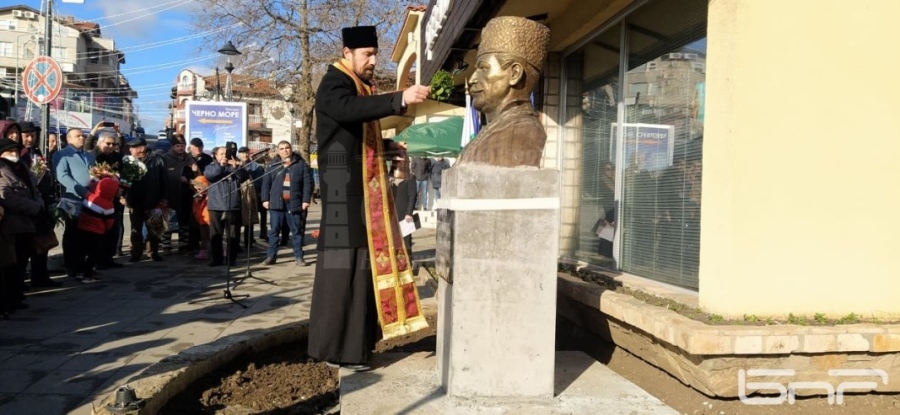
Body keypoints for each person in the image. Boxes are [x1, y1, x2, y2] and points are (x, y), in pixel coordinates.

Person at [308, 25, 430, 371]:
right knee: (342, 272)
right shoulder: (335, 81)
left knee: (361, 271)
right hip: (344, 195)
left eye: (375, 54)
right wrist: (399, 98)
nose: (374, 60)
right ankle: (336, 351)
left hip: (358, 194)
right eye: (368, 54)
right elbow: (347, 111)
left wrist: (389, 145)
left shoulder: (356, 82)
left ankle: (357, 346)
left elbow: (353, 134)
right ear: (347, 53)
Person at [455, 16, 551, 168]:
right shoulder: (496, 127)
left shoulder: (523, 131)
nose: (472, 79)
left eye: (483, 68)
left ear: (514, 74)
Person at [0, 138, 43, 307]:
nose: (13, 155)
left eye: (16, 152)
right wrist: (33, 207)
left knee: (23, 260)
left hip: (28, 222)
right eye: (9, 152)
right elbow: (7, 197)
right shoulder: (2, 170)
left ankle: (17, 294)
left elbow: (34, 189)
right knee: (11, 263)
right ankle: (11, 297)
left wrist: (40, 205)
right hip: (12, 224)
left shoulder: (22, 168)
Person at [17, 121, 60, 287]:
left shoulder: (36, 152)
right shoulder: (18, 154)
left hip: (42, 202)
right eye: (27, 135)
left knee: (42, 243)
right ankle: (23, 282)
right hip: (27, 206)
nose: (30, 139)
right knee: (27, 247)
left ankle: (40, 276)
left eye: (33, 136)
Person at [260, 141, 312, 266]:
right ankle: (271, 256)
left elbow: (307, 184)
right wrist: (265, 199)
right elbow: (266, 184)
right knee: (274, 232)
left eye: (287, 148)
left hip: (294, 203)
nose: (285, 150)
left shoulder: (301, 164)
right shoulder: (273, 165)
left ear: (291, 149)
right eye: (282, 148)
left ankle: (299, 257)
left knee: (296, 231)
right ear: (278, 150)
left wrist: (305, 200)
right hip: (276, 204)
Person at [53, 128, 95, 280]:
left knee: (87, 234)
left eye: (83, 135)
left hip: (91, 200)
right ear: (68, 139)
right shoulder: (61, 154)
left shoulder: (88, 155)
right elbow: (62, 176)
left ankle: (84, 265)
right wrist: (82, 191)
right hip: (72, 199)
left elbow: (95, 173)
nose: (82, 138)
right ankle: (71, 266)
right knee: (73, 234)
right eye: (78, 136)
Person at [124, 137, 168, 262]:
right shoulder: (129, 161)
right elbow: (124, 181)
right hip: (135, 200)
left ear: (142, 148)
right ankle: (136, 253)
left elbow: (164, 180)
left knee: (154, 228)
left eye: (133, 147)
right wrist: (124, 196)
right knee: (136, 228)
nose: (130, 150)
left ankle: (152, 252)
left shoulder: (157, 159)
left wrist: (164, 198)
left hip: (154, 199)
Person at [204, 146, 249, 266]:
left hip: (232, 205)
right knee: (216, 234)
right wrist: (221, 166)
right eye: (221, 154)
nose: (224, 156)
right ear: (215, 155)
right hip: (215, 205)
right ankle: (217, 259)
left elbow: (244, 177)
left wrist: (236, 168)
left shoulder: (234, 166)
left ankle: (231, 259)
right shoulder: (211, 167)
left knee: (233, 235)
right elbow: (211, 176)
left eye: (226, 153)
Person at [76, 176, 119, 283]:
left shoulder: (90, 197)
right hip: (96, 232)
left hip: (82, 229)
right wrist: (106, 230)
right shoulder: (108, 206)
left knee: (82, 251)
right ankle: (88, 275)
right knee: (93, 254)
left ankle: (81, 271)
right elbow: (109, 223)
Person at [93, 132, 125, 269]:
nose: (111, 146)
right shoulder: (95, 156)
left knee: (114, 229)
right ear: (100, 144)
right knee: (100, 230)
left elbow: (124, 176)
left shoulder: (118, 158)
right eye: (108, 143)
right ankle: (97, 259)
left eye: (114, 144)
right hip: (99, 198)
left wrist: (123, 193)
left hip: (116, 199)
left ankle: (108, 258)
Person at [160, 134, 196, 252]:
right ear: (173, 146)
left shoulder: (189, 158)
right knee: (169, 221)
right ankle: (166, 245)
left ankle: (183, 244)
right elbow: (163, 176)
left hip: (186, 194)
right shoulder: (166, 158)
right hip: (170, 194)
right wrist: (177, 177)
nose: (180, 148)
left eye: (182, 146)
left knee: (184, 221)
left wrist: (193, 174)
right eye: (178, 146)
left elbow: (197, 176)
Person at [237, 146, 264, 249]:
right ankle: (237, 243)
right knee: (238, 220)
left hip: (251, 195)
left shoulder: (256, 166)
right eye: (242, 153)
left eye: (246, 153)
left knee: (249, 219)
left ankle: (249, 242)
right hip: (238, 196)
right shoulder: (235, 164)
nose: (244, 155)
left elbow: (260, 181)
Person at [390, 158, 417, 254]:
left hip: (404, 213)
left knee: (406, 241)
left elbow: (412, 196)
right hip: (392, 213)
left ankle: (408, 264)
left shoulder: (410, 178)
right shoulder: (391, 178)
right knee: (393, 239)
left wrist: (409, 213)